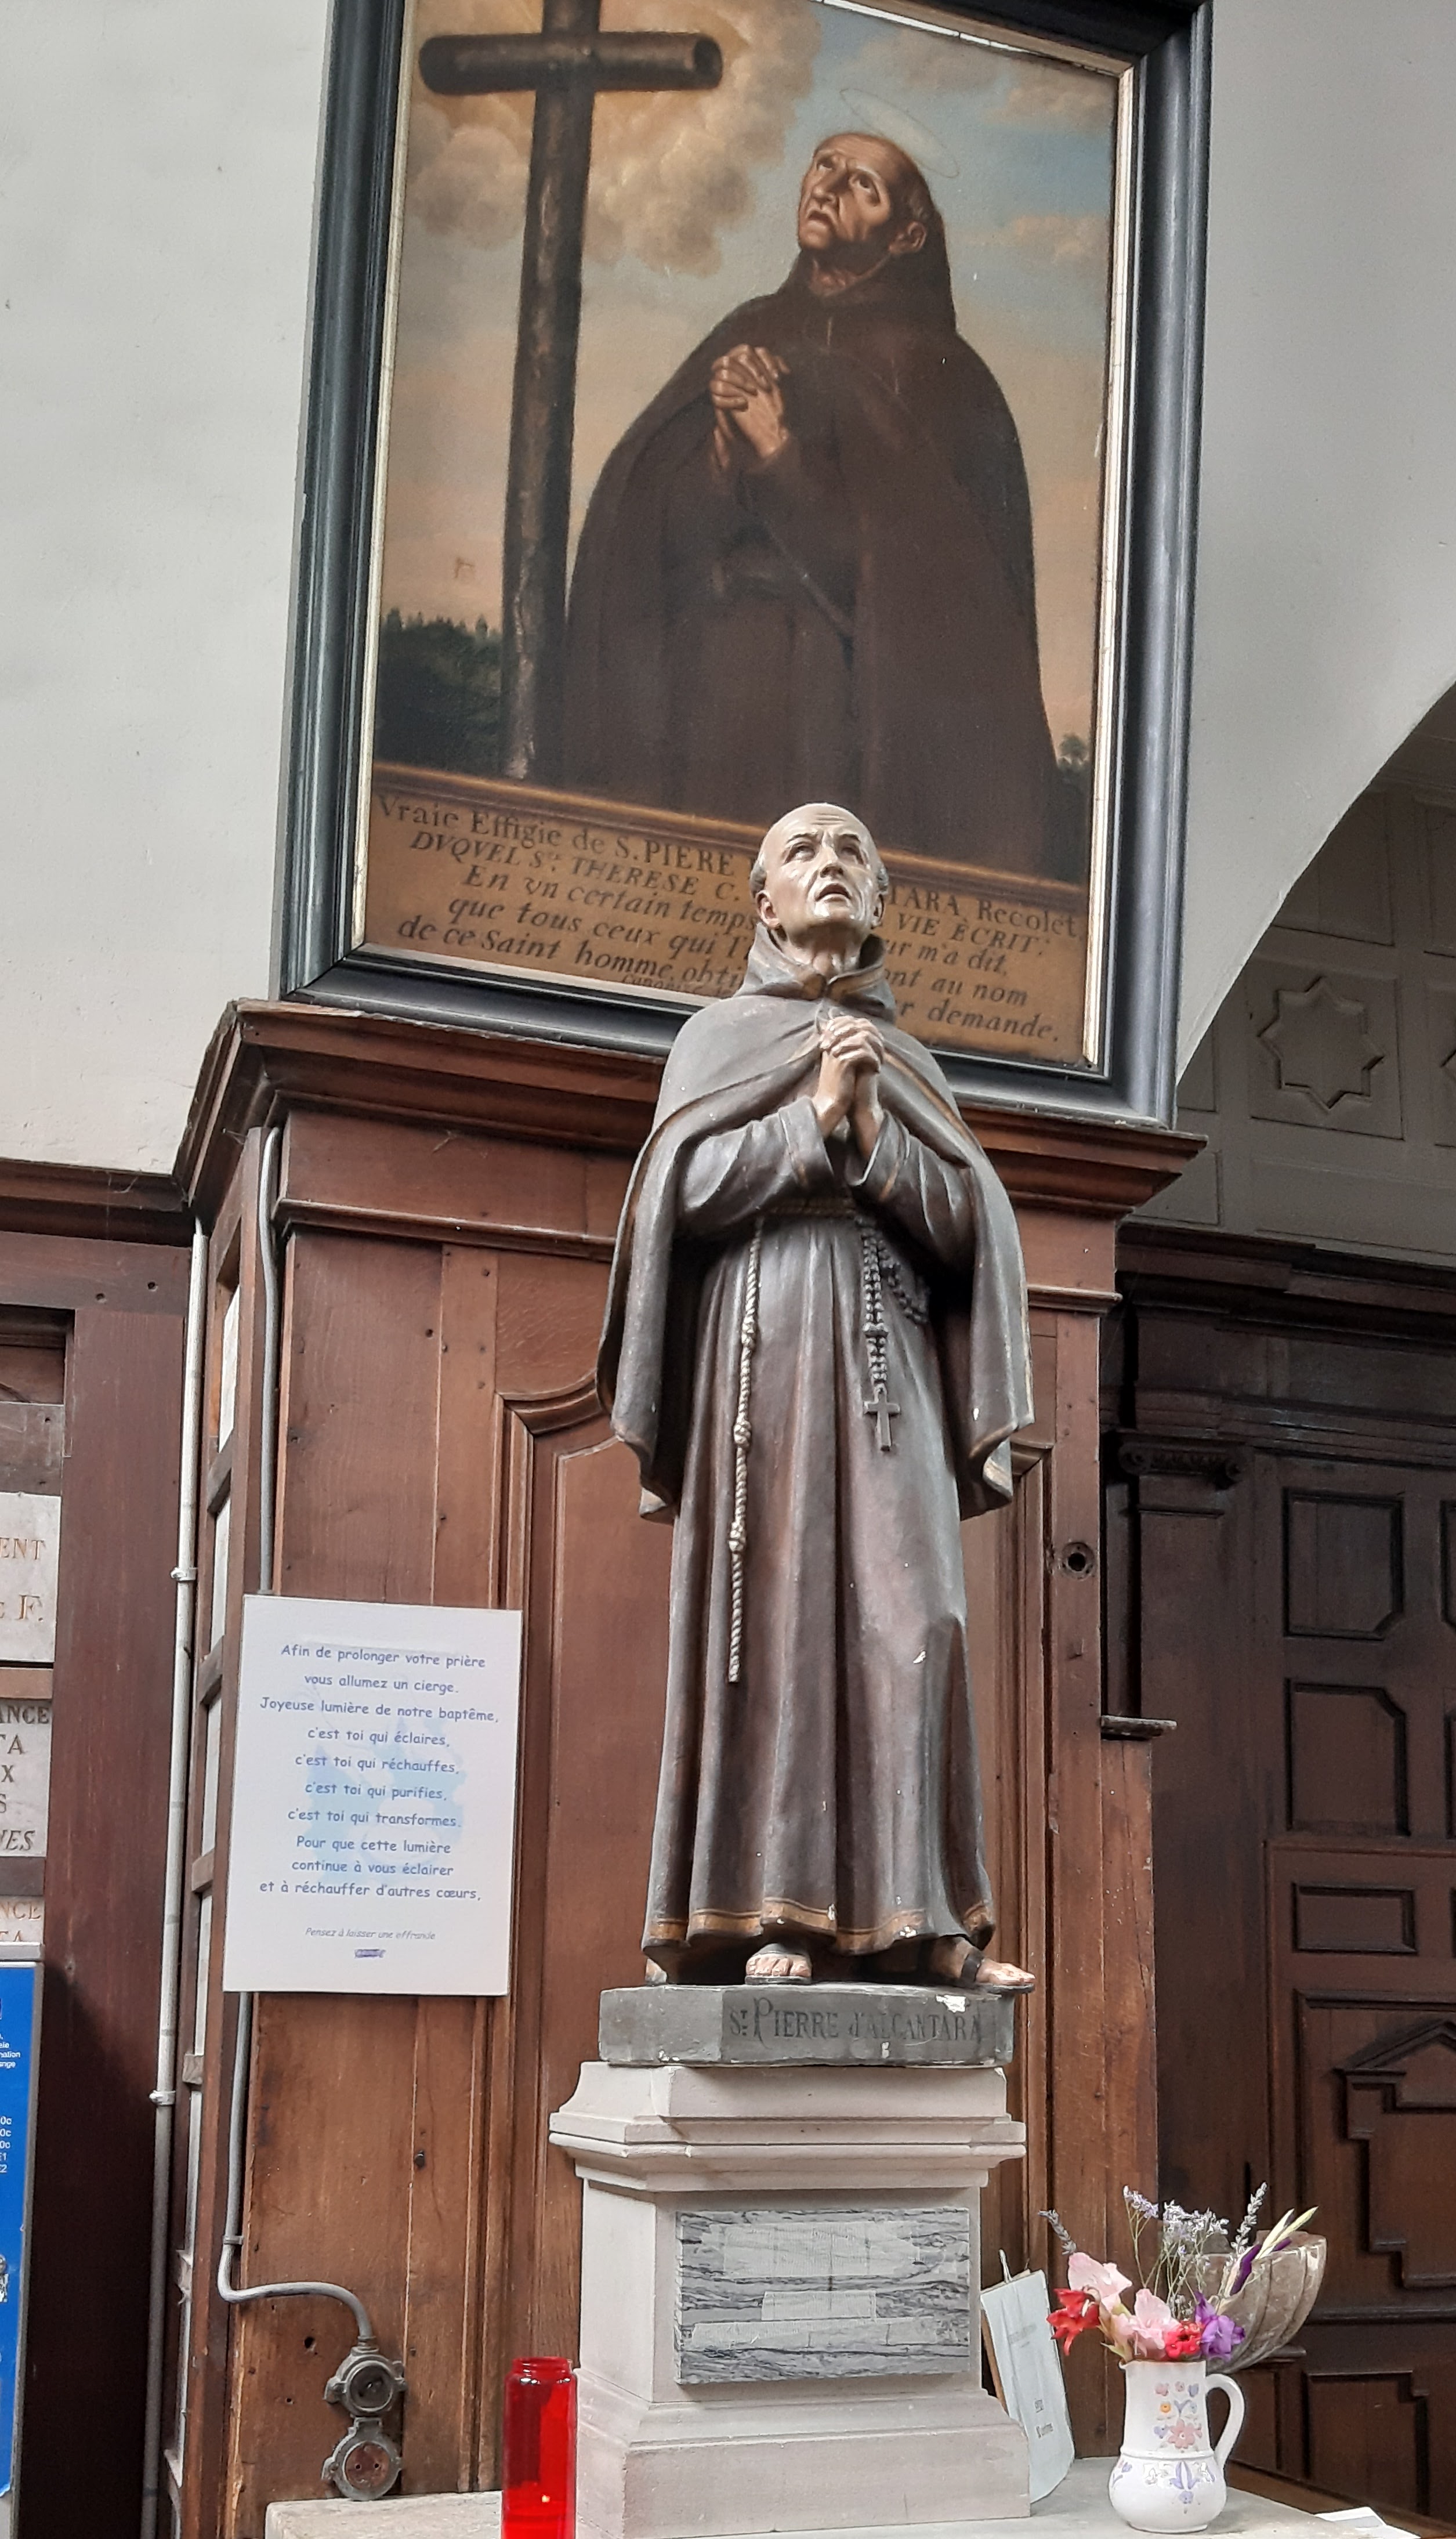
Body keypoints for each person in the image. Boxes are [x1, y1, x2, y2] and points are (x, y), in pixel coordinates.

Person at [598, 801, 1035, 1989]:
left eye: (851, 852)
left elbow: (967, 1228)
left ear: (881, 897)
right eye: (802, 851)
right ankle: (773, 1914)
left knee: (920, 1618)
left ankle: (926, 1917)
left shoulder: (910, 1062)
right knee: (781, 1619)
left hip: (890, 1346)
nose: (829, 865)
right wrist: (812, 1121)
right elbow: (678, 1195)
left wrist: (877, 1132)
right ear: (764, 901)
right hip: (768, 1336)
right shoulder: (715, 1040)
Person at [563, 136, 1063, 877]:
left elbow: (921, 594)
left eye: (863, 184)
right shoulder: (746, 331)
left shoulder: (940, 375)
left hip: (835, 706)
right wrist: (722, 456)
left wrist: (775, 454)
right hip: (710, 686)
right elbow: (655, 538)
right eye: (825, 164)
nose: (828, 187)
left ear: (908, 237)